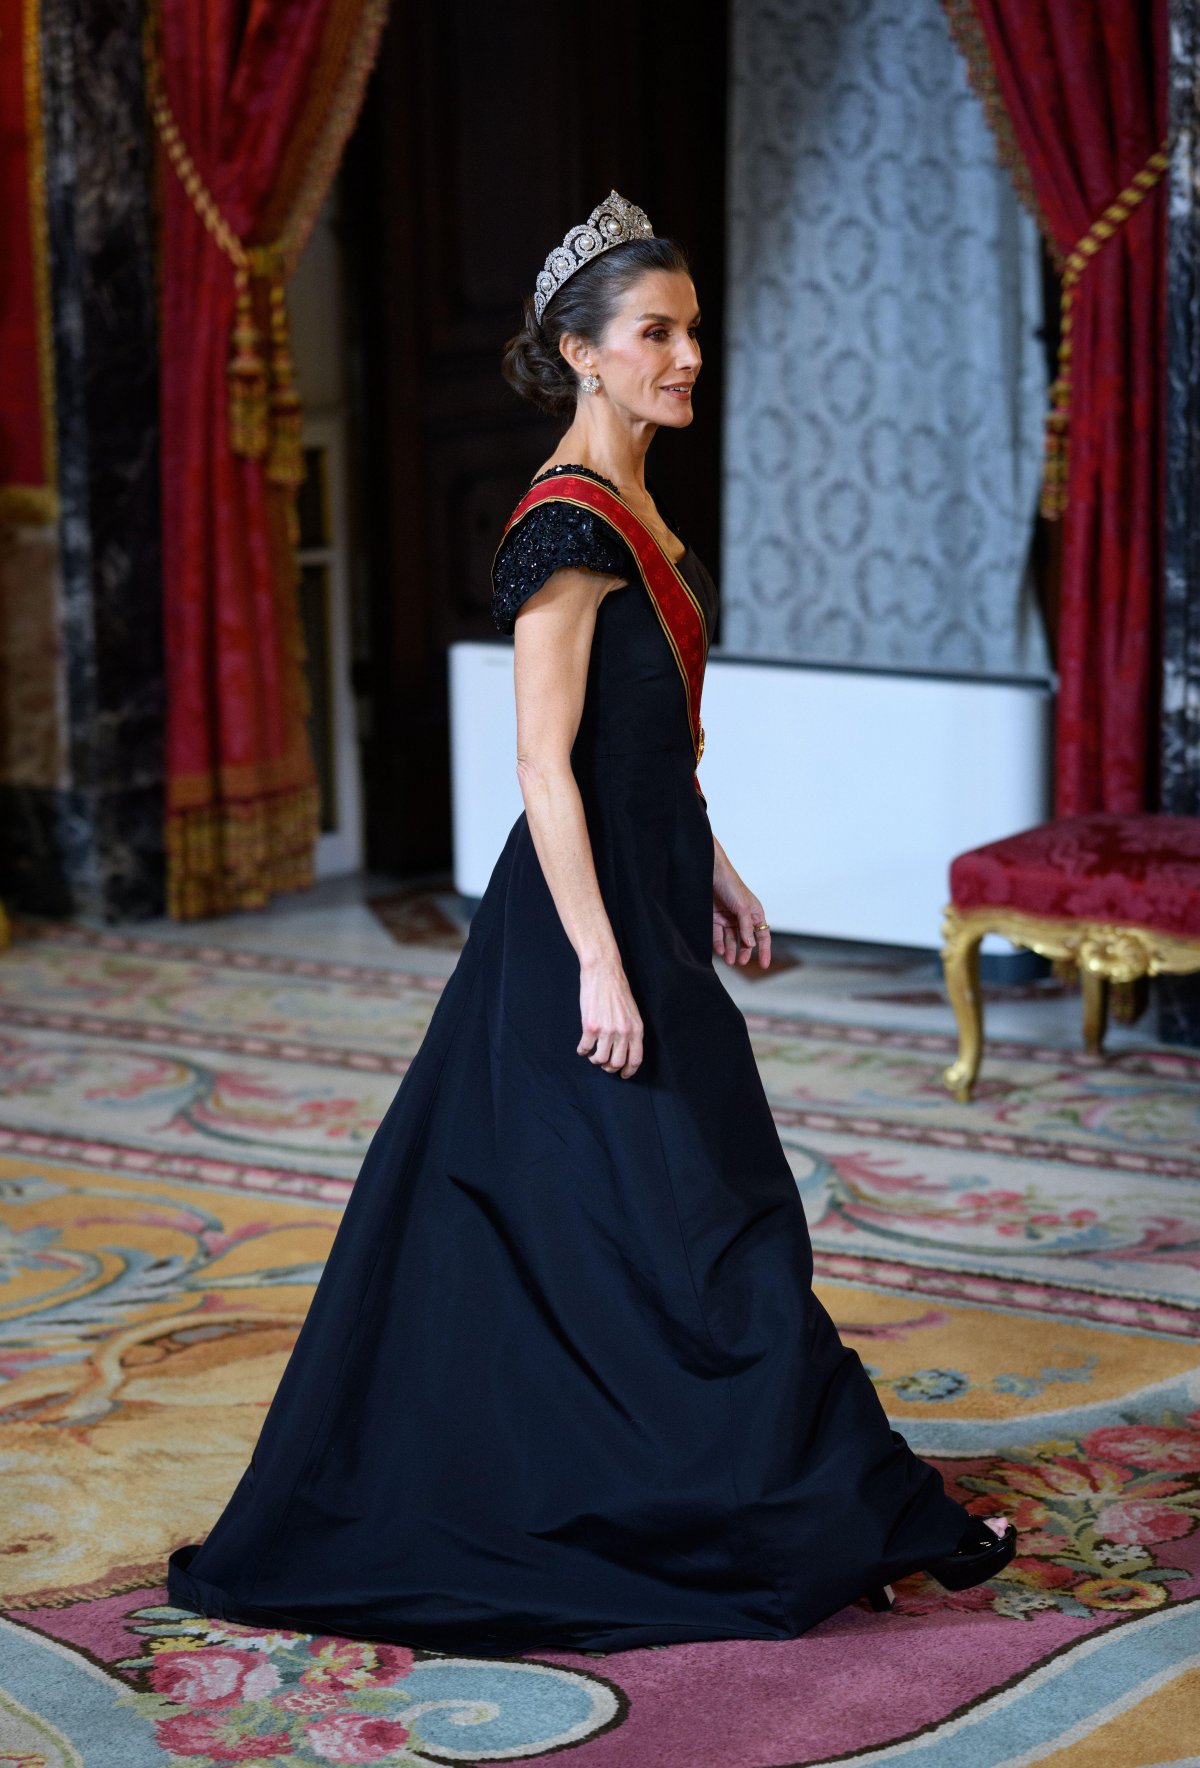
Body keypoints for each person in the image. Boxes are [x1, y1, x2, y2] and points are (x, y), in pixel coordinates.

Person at [167, 190, 1016, 1655]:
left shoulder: (634, 505)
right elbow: (540, 769)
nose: (688, 356)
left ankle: (826, 1503)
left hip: (647, 905)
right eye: (657, 334)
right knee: (707, 1229)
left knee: (684, 1230)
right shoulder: (562, 527)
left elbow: (646, 742)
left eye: (692, 329)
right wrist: (605, 967)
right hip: (582, 942)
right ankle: (812, 1513)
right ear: (582, 351)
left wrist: (715, 863)